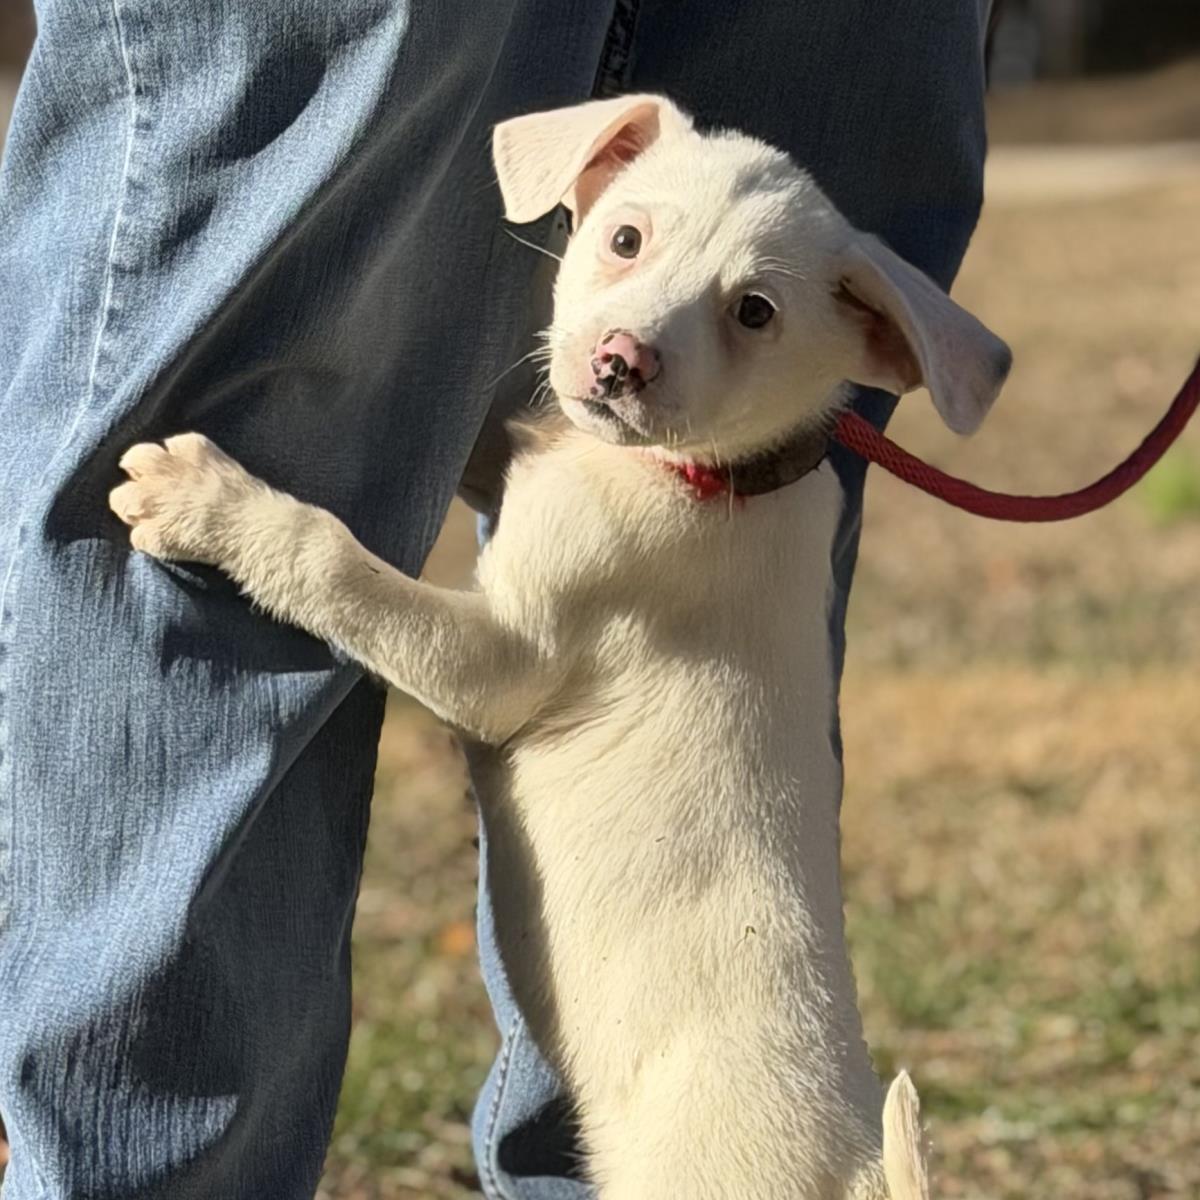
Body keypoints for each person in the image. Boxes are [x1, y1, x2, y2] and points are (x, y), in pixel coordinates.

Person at [0, 3, 994, 1196]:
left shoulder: (658, 520)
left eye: (751, 317)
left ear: (875, 342)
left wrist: (262, 533)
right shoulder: (761, 509)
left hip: (716, 1131)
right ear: (589, 177)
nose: (636, 339)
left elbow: (494, 676)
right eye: (626, 245)